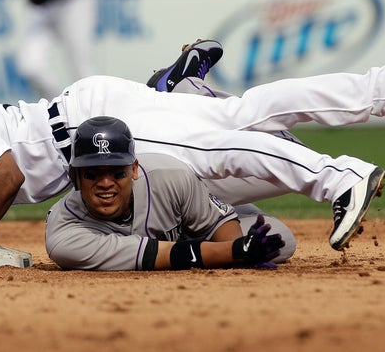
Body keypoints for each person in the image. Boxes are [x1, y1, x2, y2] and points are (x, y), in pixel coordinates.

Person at [0, 39, 385, 266]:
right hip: (86, 130)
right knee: (240, 115)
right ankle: (383, 90)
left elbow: (7, 175)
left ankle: (337, 176)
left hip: (90, 133)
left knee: (218, 148)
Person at [45, 116, 293, 271]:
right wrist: (237, 253)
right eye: (92, 174)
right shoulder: (65, 236)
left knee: (282, 240)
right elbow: (159, 255)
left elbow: (223, 229)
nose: (106, 183)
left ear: (133, 169)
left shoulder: (168, 175)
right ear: (74, 176)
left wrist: (240, 249)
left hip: (199, 201)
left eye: (117, 173)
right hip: (178, 244)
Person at [17, 0, 97, 98]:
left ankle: (92, 112)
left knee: (81, 71)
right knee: (31, 67)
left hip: (73, 1)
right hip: (43, 1)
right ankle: (60, 108)